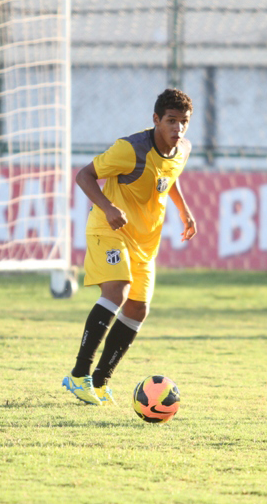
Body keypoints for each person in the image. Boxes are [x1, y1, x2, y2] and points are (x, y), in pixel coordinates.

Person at [62, 88, 197, 406]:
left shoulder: (183, 149)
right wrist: (108, 208)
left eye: (184, 122)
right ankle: (79, 375)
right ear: (156, 120)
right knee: (118, 290)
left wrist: (183, 210)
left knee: (138, 308)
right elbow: (85, 175)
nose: (177, 129)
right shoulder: (130, 149)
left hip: (144, 242)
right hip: (109, 231)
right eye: (171, 121)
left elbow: (169, 176)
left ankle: (99, 382)